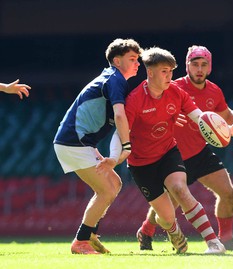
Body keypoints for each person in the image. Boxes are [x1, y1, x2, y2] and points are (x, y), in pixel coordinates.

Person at [121, 46, 233, 254]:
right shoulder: (170, 87)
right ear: (188, 66)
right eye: (195, 64)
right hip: (168, 154)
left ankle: (222, 240)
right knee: (168, 208)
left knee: (225, 192)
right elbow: (125, 127)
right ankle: (147, 230)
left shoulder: (212, 90)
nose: (199, 69)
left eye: (204, 65)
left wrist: (230, 128)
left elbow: (213, 118)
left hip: (196, 153)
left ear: (209, 68)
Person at [53, 38, 143, 254]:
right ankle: (81, 242)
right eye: (132, 59)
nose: (137, 63)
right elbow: (120, 116)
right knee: (105, 190)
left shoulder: (112, 78)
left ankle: (90, 233)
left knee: (114, 183)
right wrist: (127, 147)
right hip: (73, 143)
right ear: (117, 60)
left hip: (78, 143)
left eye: (138, 60)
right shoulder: (115, 79)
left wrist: (118, 151)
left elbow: (118, 120)